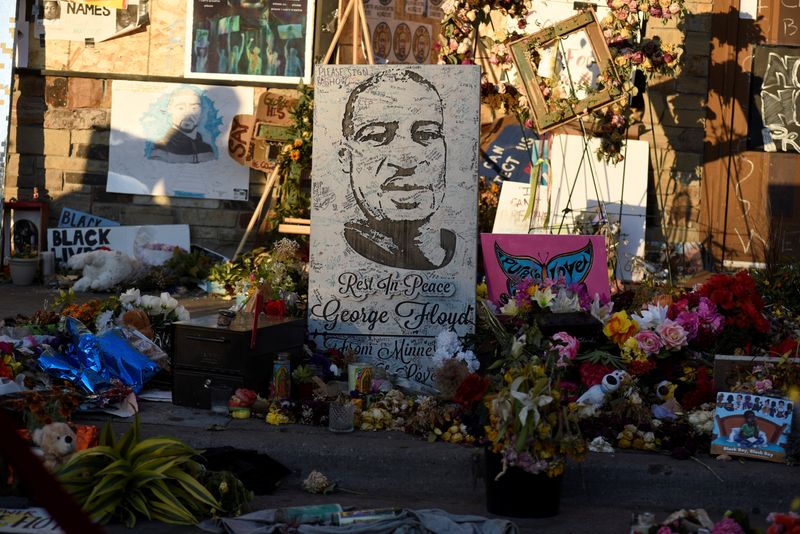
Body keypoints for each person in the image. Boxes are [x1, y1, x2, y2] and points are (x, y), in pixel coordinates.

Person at [338, 69, 455, 270]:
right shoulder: (338, 254)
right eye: (376, 137)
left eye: (427, 134)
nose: (406, 160)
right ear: (346, 157)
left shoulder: (458, 252)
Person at [149, 87, 215, 164]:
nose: (188, 114)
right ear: (170, 110)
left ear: (201, 112)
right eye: (181, 108)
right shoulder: (161, 149)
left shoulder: (207, 149)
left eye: (194, 108)